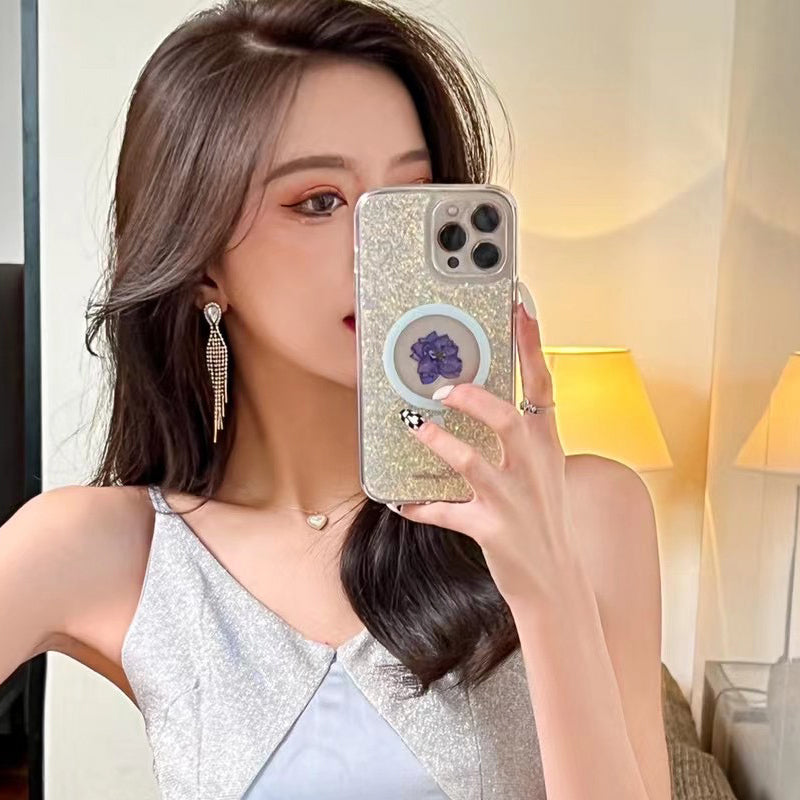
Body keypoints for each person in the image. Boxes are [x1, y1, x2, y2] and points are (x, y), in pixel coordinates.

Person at [0, 1, 672, 798]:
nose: (383, 252)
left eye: (412, 195)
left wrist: (547, 585)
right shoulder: (112, 550)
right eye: (319, 201)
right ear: (202, 263)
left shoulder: (589, 512)